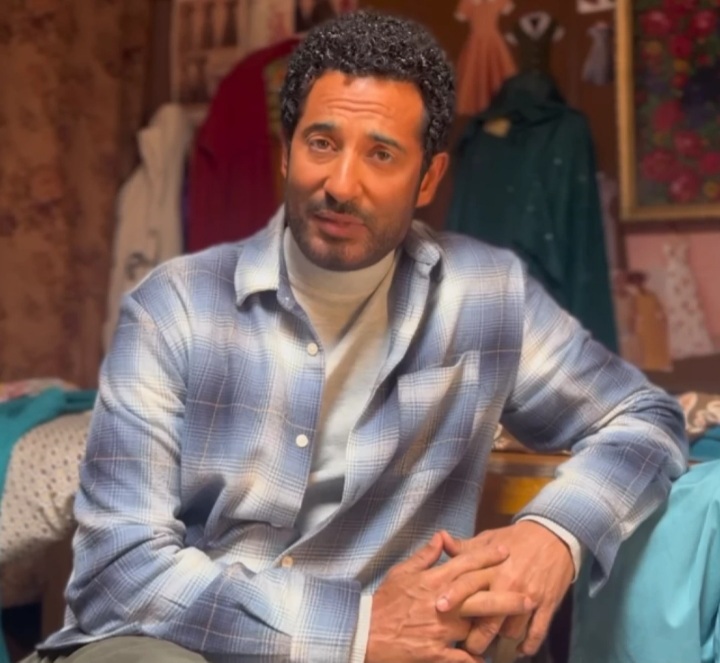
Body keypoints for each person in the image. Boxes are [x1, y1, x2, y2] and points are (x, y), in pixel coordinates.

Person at [27, 10, 687, 663]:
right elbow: (120, 570)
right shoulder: (174, 307)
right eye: (322, 143)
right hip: (191, 646)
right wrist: (358, 631)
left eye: (381, 154)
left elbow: (643, 417)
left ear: (428, 179)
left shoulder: (484, 294)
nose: (341, 185)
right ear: (287, 152)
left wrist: (555, 533)